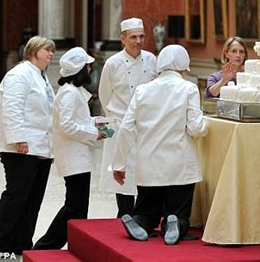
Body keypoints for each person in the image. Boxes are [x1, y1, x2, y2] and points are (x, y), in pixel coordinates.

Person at [112, 44, 208, 245]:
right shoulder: (188, 88)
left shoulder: (142, 90)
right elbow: (196, 128)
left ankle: (139, 222)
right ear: (184, 64)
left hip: (149, 164)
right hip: (179, 164)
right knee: (180, 211)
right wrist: (206, 124)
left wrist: (119, 165)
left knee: (146, 211)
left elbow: (126, 129)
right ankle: (174, 222)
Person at [33, 47, 104, 250]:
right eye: (88, 66)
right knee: (74, 207)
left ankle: (72, 244)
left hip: (78, 157)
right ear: (80, 69)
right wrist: (94, 133)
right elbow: (67, 126)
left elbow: (77, 120)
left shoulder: (71, 93)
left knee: (78, 208)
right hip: (74, 158)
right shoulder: (69, 94)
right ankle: (45, 246)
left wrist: (95, 122)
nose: (90, 69)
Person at [0, 36, 55, 256]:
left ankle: (21, 243)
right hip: (22, 148)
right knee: (16, 196)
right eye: (48, 50)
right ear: (34, 51)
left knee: (32, 198)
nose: (51, 54)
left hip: (40, 148)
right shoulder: (20, 74)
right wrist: (18, 138)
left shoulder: (41, 77)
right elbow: (12, 107)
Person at [98, 17, 157, 218]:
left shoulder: (151, 60)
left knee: (143, 170)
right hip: (120, 122)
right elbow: (105, 95)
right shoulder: (112, 64)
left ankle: (142, 215)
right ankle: (124, 214)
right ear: (123, 39)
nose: (138, 41)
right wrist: (114, 120)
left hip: (144, 124)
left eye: (141, 36)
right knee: (121, 170)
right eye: (133, 37)